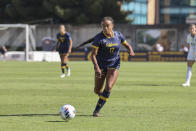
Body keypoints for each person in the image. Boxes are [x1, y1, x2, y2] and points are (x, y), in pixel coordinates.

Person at [91, 17, 135, 117]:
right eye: (103, 26)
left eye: (107, 26)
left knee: (109, 86)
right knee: (97, 90)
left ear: (112, 26)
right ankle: (103, 97)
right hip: (101, 66)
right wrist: (97, 68)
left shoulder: (118, 35)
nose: (105, 28)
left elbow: (127, 45)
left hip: (114, 64)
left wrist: (130, 50)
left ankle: (96, 111)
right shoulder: (99, 38)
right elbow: (93, 55)